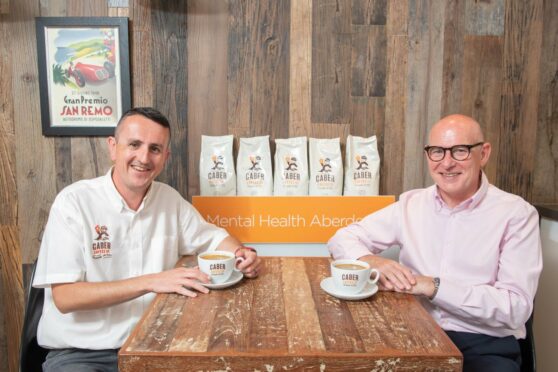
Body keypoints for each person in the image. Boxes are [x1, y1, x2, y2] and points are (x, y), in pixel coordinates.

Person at [33, 107, 261, 372]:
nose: (143, 157)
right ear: (113, 147)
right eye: (134, 144)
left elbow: (215, 238)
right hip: (82, 354)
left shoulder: (169, 200)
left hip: (156, 348)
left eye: (155, 149)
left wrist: (242, 254)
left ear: (165, 157)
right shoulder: (73, 202)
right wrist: (153, 281)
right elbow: (66, 297)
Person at [328, 114, 542, 371]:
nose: (447, 163)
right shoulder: (410, 204)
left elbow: (516, 307)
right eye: (437, 152)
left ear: (483, 153)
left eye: (460, 151)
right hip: (412, 332)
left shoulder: (517, 214)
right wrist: (368, 260)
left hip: (484, 343)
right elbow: (342, 238)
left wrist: (433, 286)